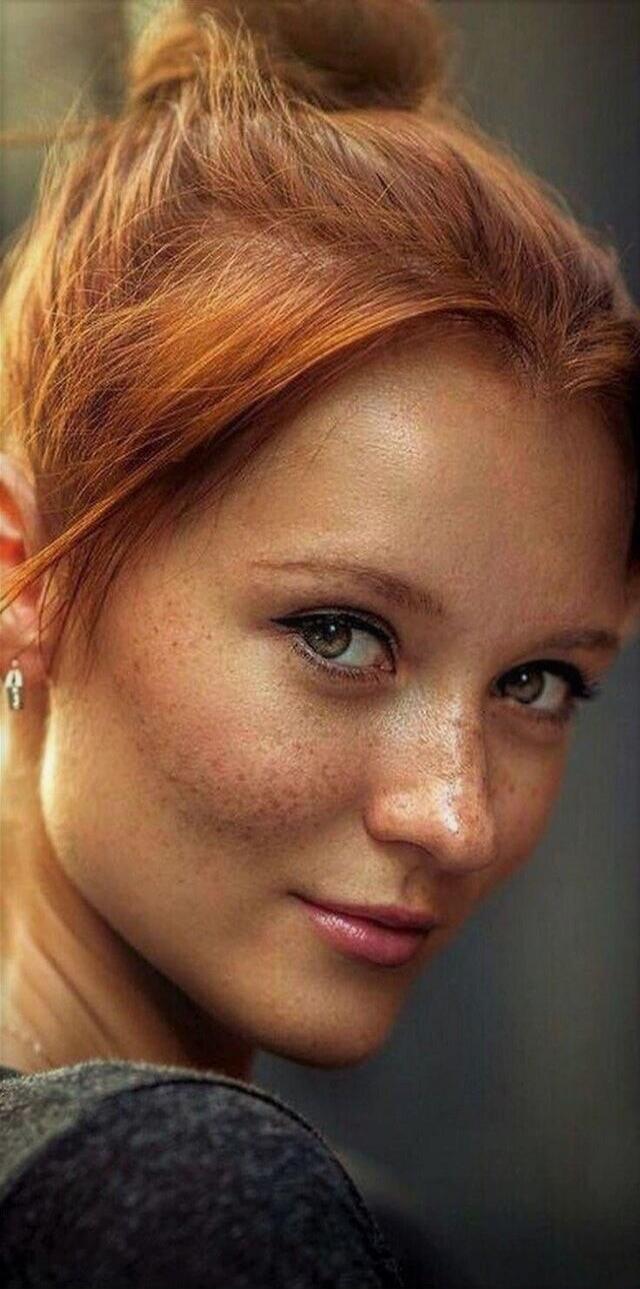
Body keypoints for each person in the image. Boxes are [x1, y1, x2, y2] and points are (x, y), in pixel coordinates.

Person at [0, 0, 638, 1285]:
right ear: (24, 572)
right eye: (339, 633)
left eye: (536, 681)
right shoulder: (193, 1206)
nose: (455, 817)